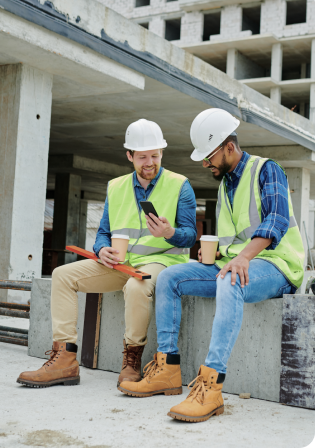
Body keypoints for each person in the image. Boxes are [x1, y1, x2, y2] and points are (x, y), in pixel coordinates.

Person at [118, 108, 305, 423]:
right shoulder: (225, 185)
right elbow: (234, 241)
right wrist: (215, 256)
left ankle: (211, 386)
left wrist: (243, 257)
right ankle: (167, 368)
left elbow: (276, 220)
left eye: (209, 157)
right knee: (171, 278)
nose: (205, 164)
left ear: (229, 147)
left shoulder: (266, 169)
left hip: (277, 266)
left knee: (229, 280)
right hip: (240, 263)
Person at [17, 119, 197, 388]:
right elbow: (103, 232)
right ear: (129, 156)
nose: (150, 162)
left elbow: (190, 234)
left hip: (162, 261)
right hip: (119, 264)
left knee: (138, 287)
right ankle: (65, 360)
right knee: (62, 275)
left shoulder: (180, 185)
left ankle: (132, 360)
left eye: (155, 155)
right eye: (142, 156)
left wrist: (170, 233)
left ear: (162, 152)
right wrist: (102, 249)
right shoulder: (116, 187)